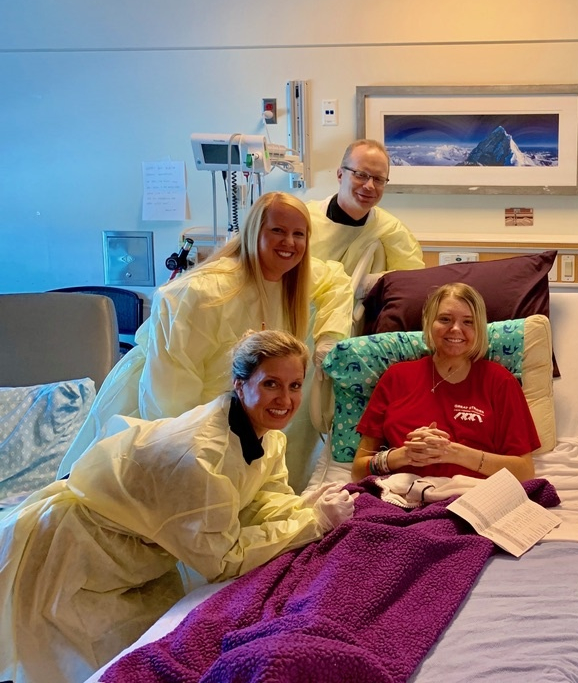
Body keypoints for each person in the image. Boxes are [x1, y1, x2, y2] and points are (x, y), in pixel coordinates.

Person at [0, 330, 358, 683]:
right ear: (240, 384)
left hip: (132, 559)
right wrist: (310, 523)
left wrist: (304, 507)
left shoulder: (268, 437)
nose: (285, 398)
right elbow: (223, 560)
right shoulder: (200, 457)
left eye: (295, 385)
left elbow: (262, 501)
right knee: (87, 667)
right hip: (73, 559)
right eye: (271, 384)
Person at [59, 191, 354, 491]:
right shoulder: (204, 294)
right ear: (254, 231)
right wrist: (193, 460)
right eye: (277, 230)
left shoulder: (297, 275)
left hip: (231, 423)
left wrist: (330, 340)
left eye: (298, 234)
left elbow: (337, 280)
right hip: (167, 420)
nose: (289, 243)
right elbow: (170, 399)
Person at [351, 282, 539, 482]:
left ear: (480, 329)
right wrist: (403, 455)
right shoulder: (396, 377)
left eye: (468, 322)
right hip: (402, 496)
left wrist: (453, 453)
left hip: (471, 497)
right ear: (429, 323)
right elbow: (358, 470)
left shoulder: (500, 381)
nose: (456, 329)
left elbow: (524, 471)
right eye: (445, 319)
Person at [306, 139, 425, 274]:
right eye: (361, 175)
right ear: (340, 175)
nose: (369, 186)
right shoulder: (304, 220)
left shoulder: (392, 231)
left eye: (378, 179)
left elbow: (410, 282)